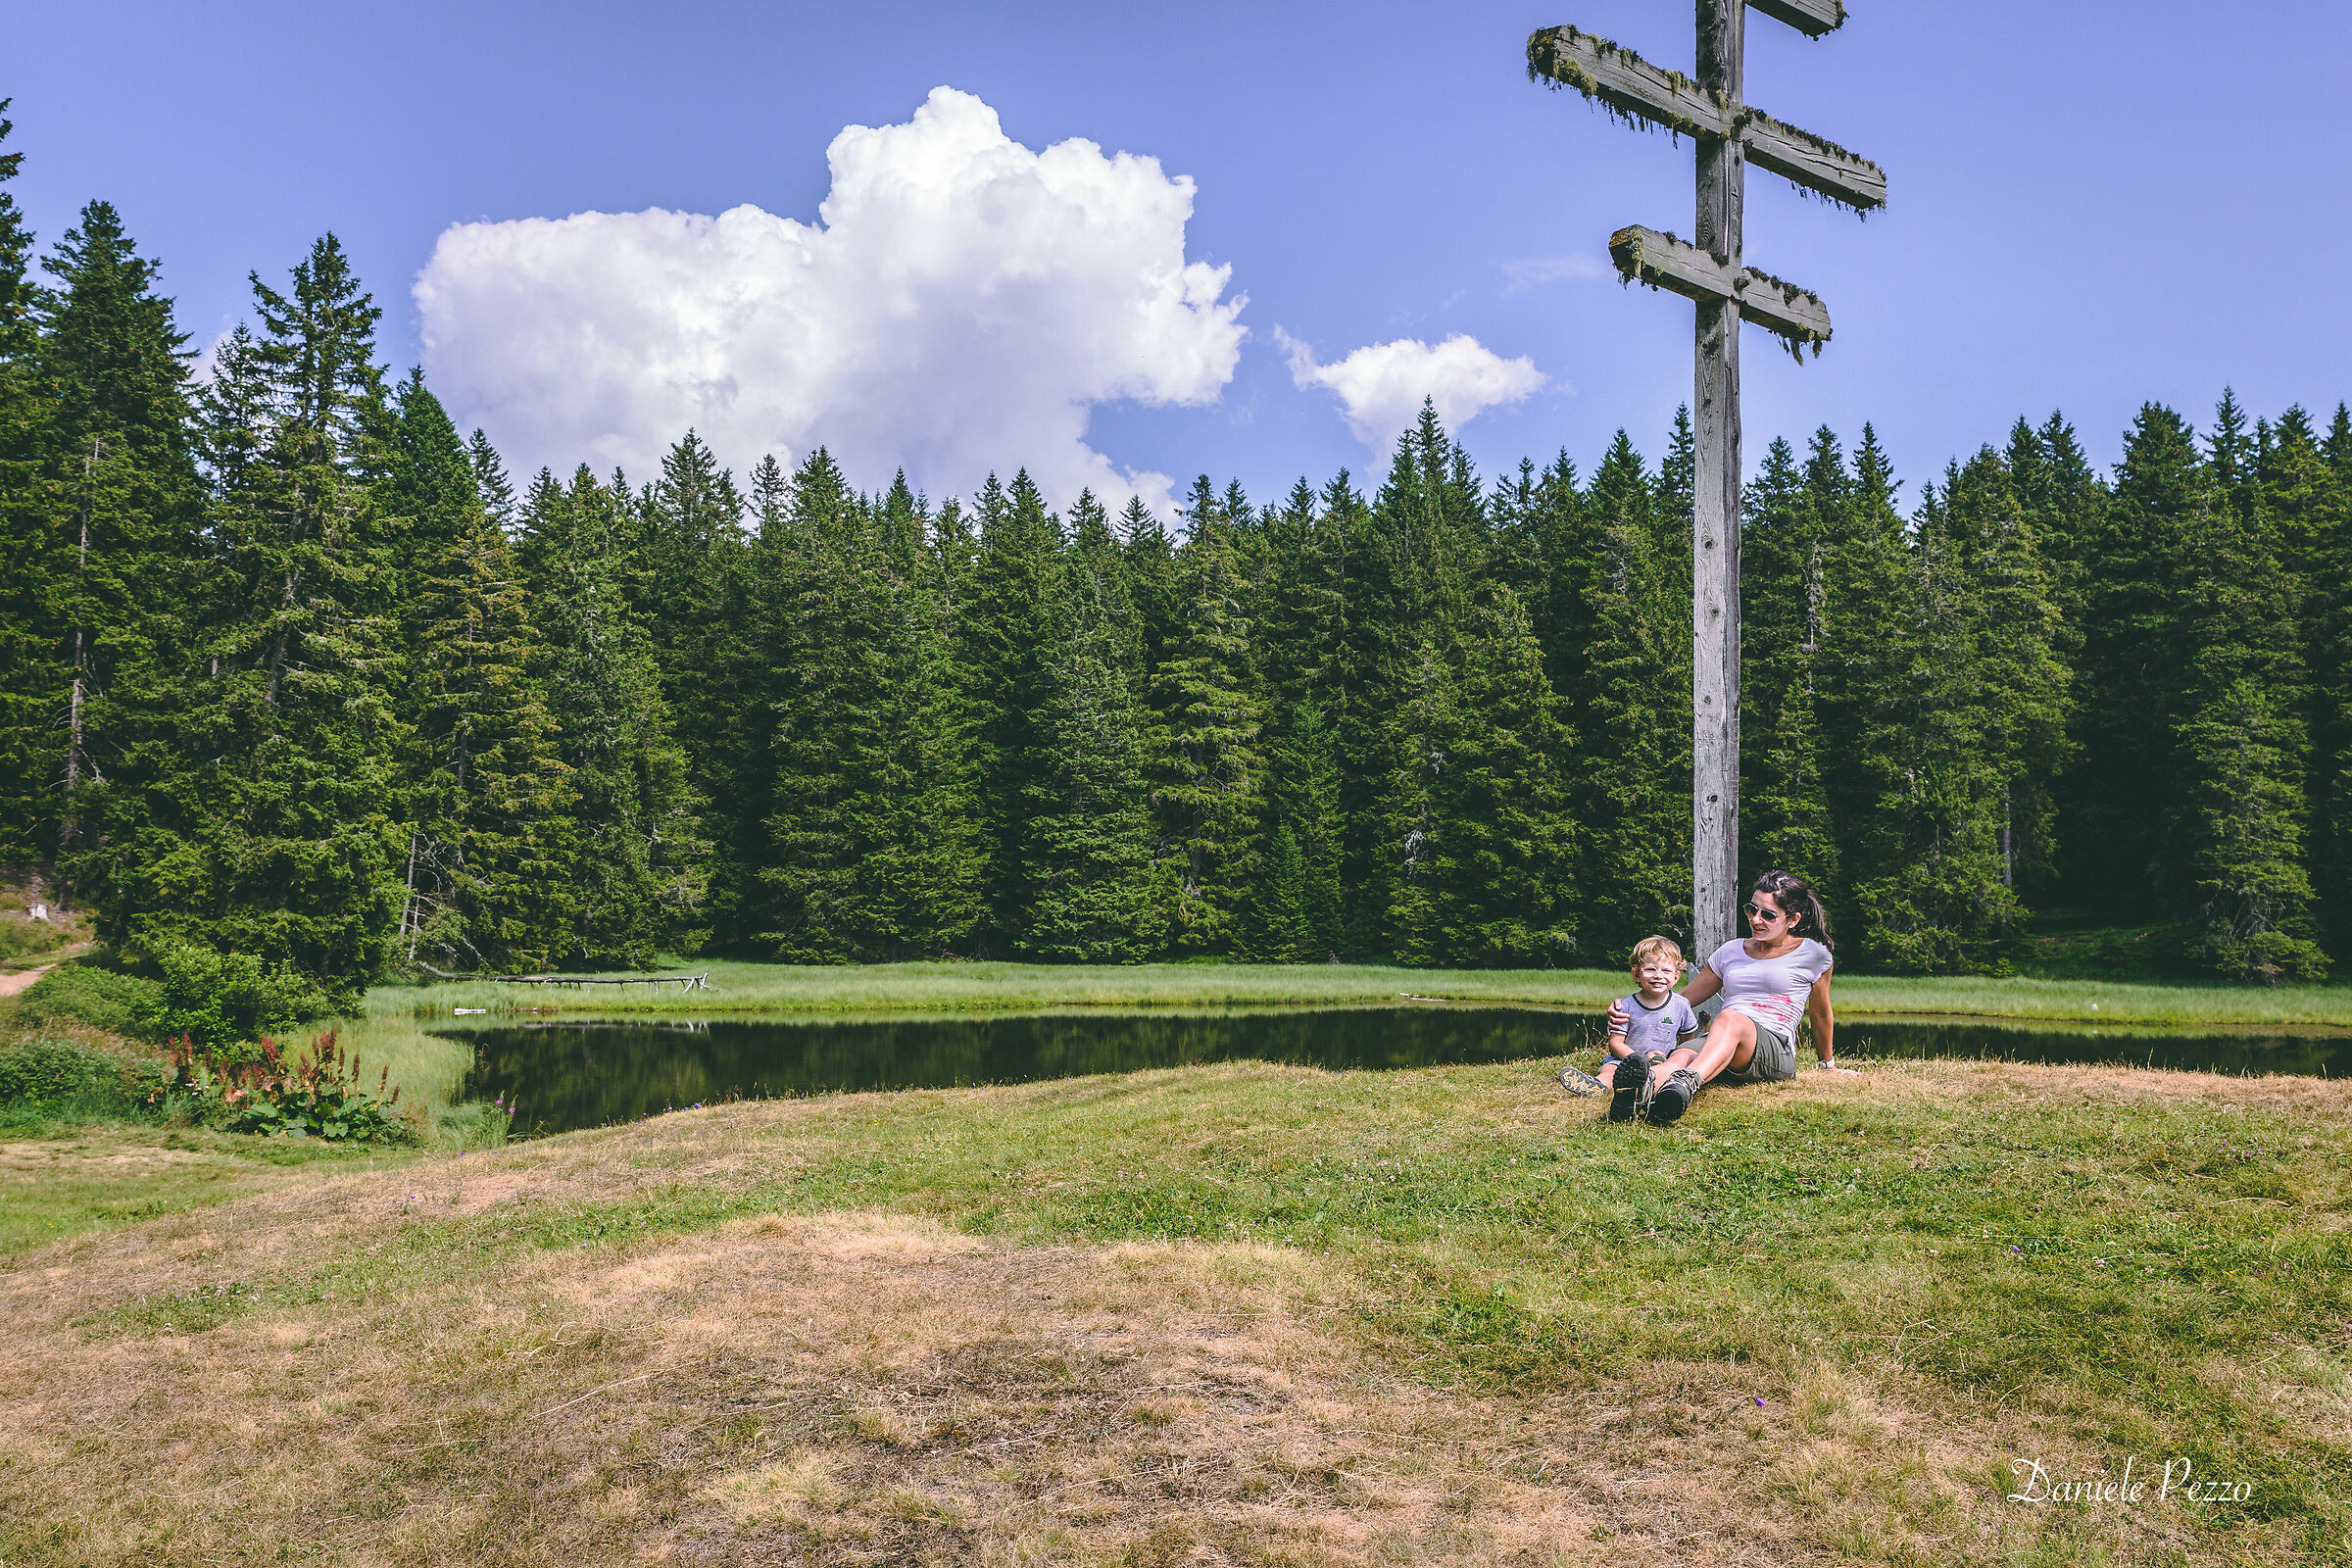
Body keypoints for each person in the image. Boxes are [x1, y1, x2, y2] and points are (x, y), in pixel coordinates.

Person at [1611, 868, 1853, 1126]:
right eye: (1752, 909)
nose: (1756, 920)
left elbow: (1820, 1013)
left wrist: (1827, 1063)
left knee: (1730, 1019)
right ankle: (1636, 1096)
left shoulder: (1815, 955)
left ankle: (1686, 1082)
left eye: (1768, 915)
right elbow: (1680, 1001)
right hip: (1722, 1041)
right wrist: (1631, 1008)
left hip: (1773, 1049)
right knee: (1681, 1056)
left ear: (1792, 920)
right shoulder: (1731, 951)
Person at [1596, 935, 1700, 1122]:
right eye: (1651, 969)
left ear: (1676, 976)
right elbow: (1615, 1044)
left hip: (1659, 1063)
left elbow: (1688, 1042)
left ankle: (1649, 1089)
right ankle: (1596, 1086)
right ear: (1637, 974)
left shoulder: (1681, 1005)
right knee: (1609, 1072)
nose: (1658, 975)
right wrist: (1638, 1061)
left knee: (1659, 1065)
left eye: (1666, 971)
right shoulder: (1626, 1006)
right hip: (1624, 1062)